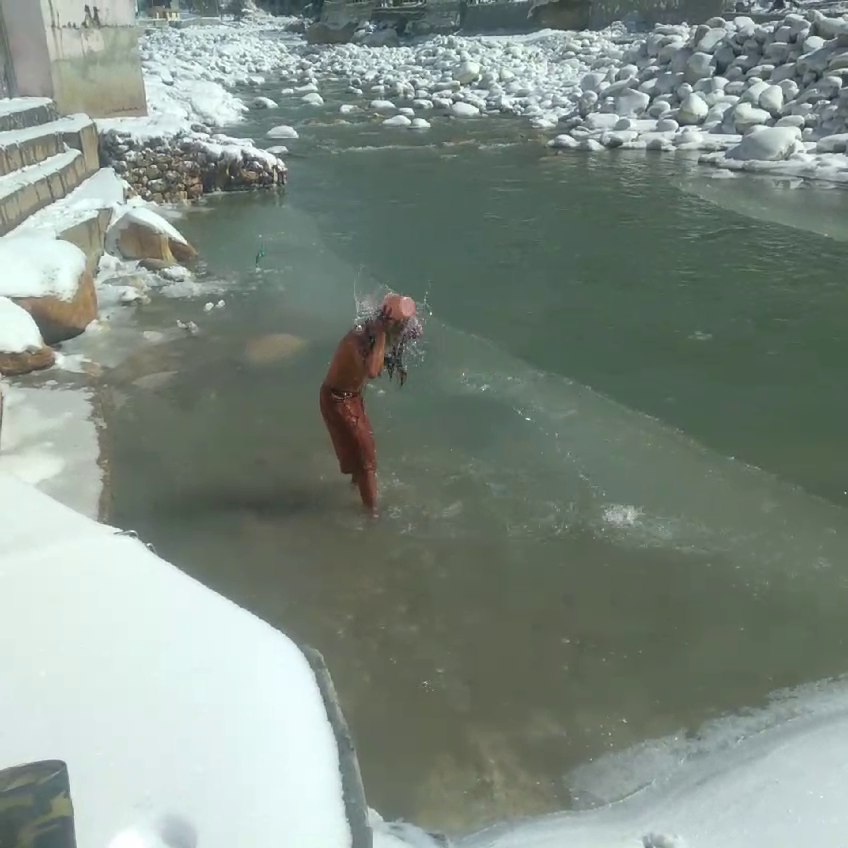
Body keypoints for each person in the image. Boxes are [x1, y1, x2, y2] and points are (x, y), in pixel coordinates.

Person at [320, 293, 419, 514]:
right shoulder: (358, 340)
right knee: (367, 462)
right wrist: (383, 335)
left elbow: (407, 337)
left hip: (350, 398)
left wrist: (405, 325)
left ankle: (357, 492)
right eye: (401, 326)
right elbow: (373, 371)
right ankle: (372, 517)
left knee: (361, 454)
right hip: (338, 400)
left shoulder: (372, 333)